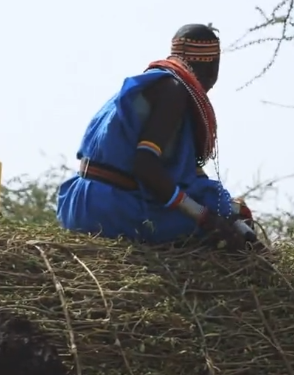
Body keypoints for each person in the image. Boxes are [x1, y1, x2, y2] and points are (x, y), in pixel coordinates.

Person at [56, 24, 255, 249]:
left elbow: (183, 174)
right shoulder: (174, 91)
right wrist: (204, 217)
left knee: (224, 208)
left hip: (79, 202)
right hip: (111, 209)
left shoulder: (153, 83)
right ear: (213, 67)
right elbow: (145, 166)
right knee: (225, 233)